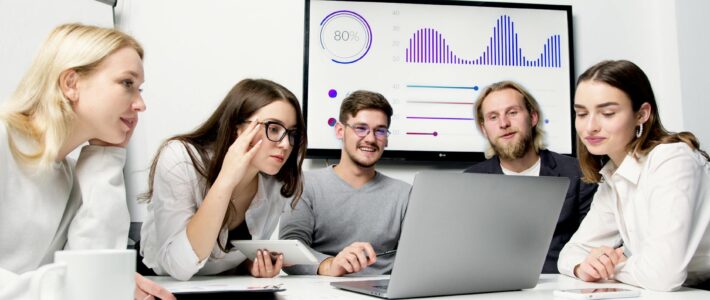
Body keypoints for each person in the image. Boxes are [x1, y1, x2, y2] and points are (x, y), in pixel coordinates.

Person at [0, 23, 173, 300]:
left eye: (140, 89)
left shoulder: (71, 174)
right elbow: (85, 285)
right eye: (127, 83)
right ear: (71, 84)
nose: (141, 104)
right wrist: (91, 284)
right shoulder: (4, 140)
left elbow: (95, 269)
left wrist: (105, 156)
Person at [558, 60, 710, 291]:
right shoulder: (614, 175)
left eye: (607, 113)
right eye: (581, 113)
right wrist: (584, 265)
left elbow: (662, 275)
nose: (590, 127)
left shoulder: (673, 159)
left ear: (641, 114)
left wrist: (612, 265)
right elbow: (571, 253)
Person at [138, 78, 307, 281]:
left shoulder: (276, 184)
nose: (286, 144)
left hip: (221, 286)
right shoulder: (180, 159)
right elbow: (178, 266)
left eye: (292, 134)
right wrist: (226, 180)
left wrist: (250, 264)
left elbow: (227, 257)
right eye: (273, 129)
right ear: (238, 129)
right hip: (159, 284)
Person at [464, 81, 596, 273]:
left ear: (533, 117)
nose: (504, 124)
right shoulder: (469, 182)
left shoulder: (577, 173)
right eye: (493, 117)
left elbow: (594, 244)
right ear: (484, 129)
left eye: (513, 112)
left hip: (561, 283)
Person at [279, 90, 411, 276]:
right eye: (361, 128)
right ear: (340, 130)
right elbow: (289, 250)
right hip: (323, 291)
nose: (371, 138)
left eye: (380, 130)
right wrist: (330, 265)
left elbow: (418, 254)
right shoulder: (305, 184)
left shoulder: (405, 194)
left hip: (385, 291)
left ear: (386, 138)